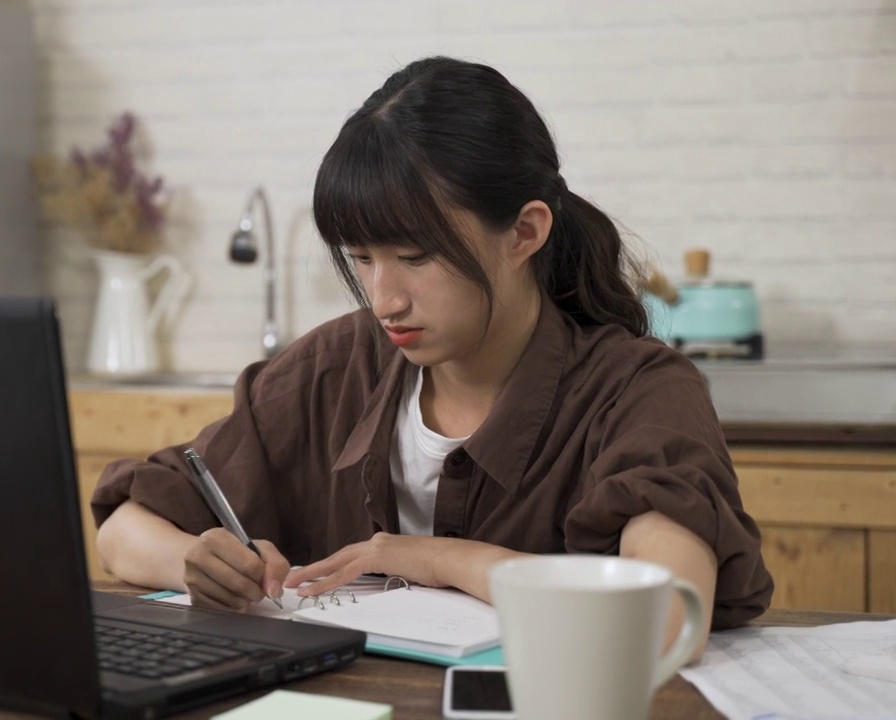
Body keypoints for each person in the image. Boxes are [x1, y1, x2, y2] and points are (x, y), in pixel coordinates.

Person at [90, 57, 773, 651]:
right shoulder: (335, 364)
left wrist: (436, 559)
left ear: (525, 233)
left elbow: (662, 622)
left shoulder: (640, 393)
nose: (384, 299)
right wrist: (195, 563)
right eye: (362, 259)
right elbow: (122, 529)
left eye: (415, 257)